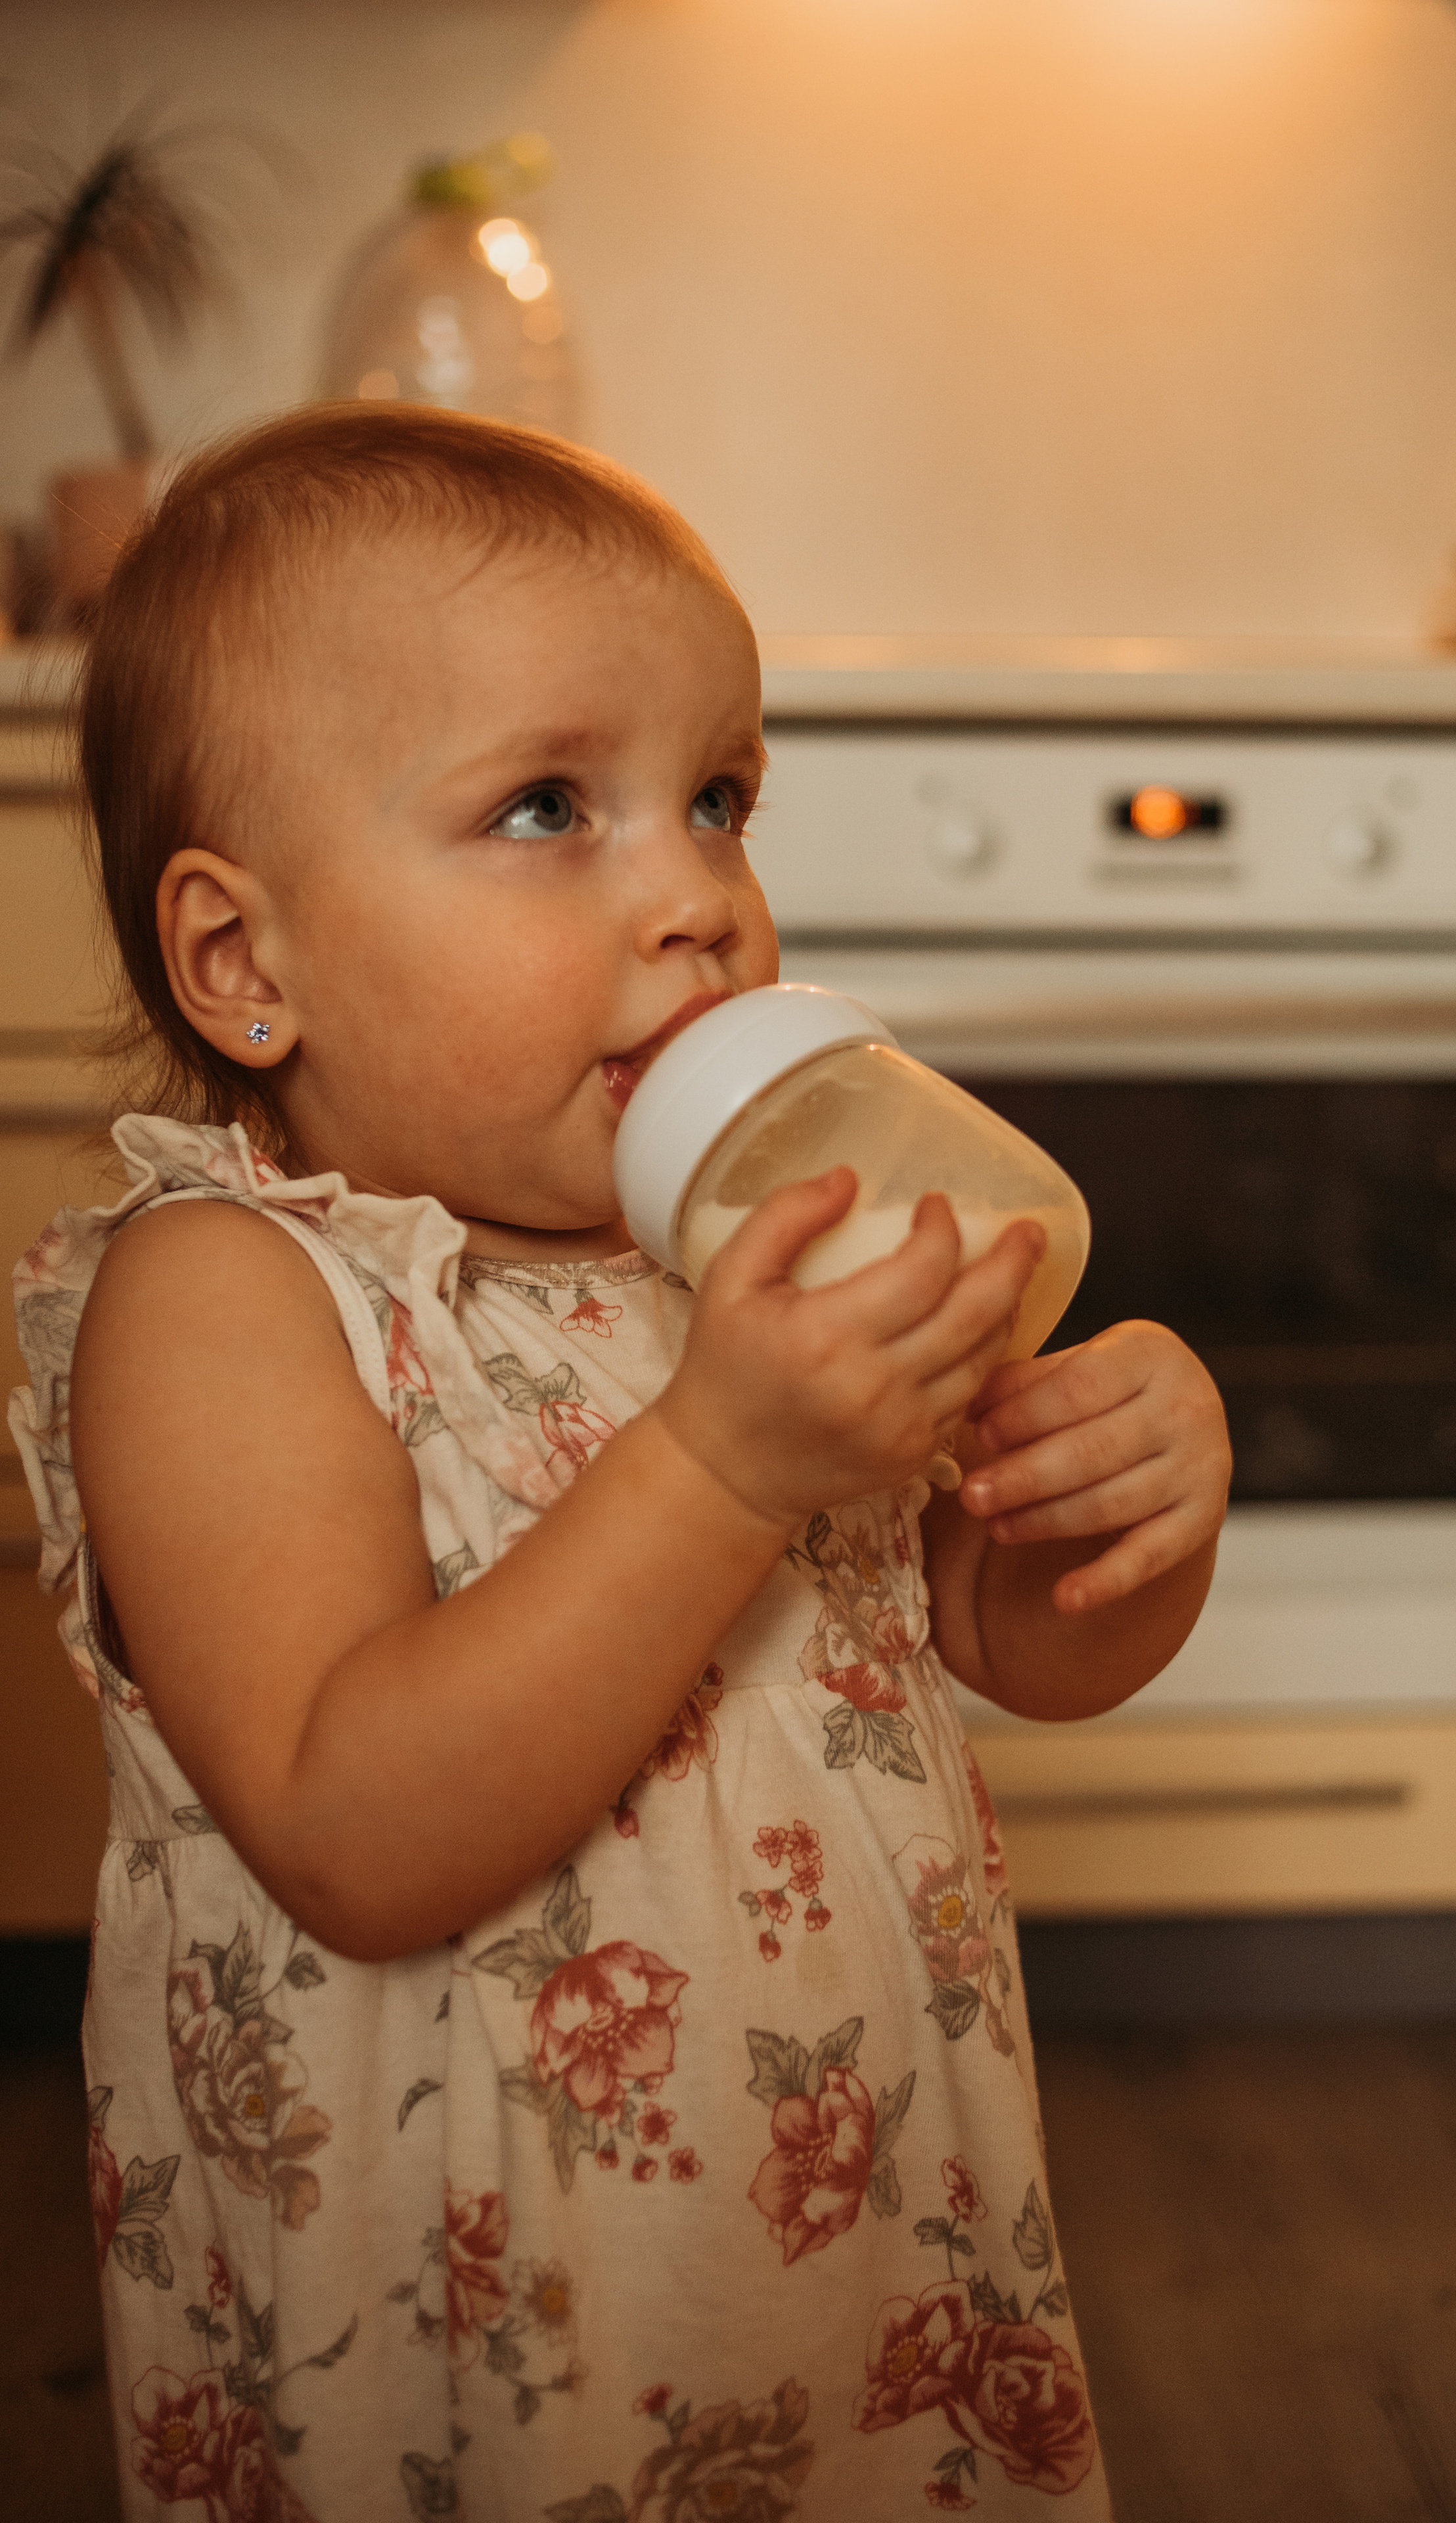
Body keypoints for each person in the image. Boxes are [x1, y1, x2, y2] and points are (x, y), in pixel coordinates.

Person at [10, 405, 1231, 2521]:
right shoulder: (226, 1299)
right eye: (551, 805)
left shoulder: (745, 1266)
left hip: (851, 2259)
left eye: (723, 797)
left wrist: (1123, 1504)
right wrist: (722, 1462)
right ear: (245, 964)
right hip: (490, 2338)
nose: (698, 894)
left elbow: (1003, 1639)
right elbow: (347, 1830)